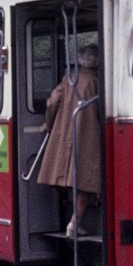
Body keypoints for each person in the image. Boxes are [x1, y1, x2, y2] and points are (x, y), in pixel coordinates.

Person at [37, 43, 101, 238]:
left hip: (65, 135)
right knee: (87, 180)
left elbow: (52, 102)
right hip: (89, 136)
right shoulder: (97, 81)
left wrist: (49, 125)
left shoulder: (69, 78)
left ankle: (72, 219)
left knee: (73, 177)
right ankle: (75, 222)